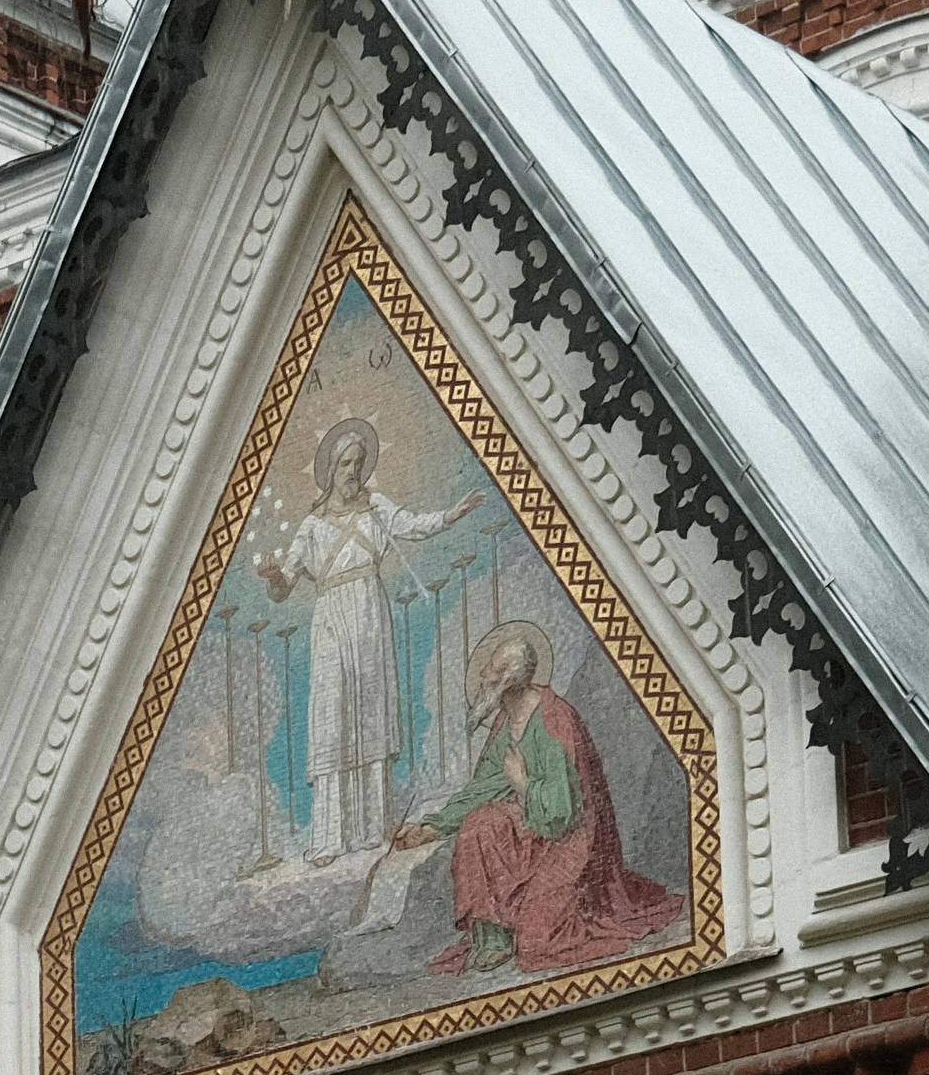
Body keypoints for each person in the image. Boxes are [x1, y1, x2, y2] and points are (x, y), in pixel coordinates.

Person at [401, 621, 686, 971]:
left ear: (512, 679)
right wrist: (431, 827)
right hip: (528, 833)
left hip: (569, 838)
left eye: (492, 671)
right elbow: (483, 788)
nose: (483, 678)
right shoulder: (505, 723)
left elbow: (565, 811)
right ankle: (494, 938)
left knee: (538, 941)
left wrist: (522, 784)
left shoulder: (554, 720)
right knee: (479, 824)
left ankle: (528, 921)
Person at [251, 414, 468, 858]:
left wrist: (452, 515)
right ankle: (330, 837)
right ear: (331, 469)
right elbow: (284, 587)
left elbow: (412, 525)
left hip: (370, 613)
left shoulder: (376, 509)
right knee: (333, 714)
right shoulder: (311, 527)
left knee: (370, 709)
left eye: (358, 462)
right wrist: (274, 579)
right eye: (345, 463)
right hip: (332, 618)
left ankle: (372, 829)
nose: (352, 470)